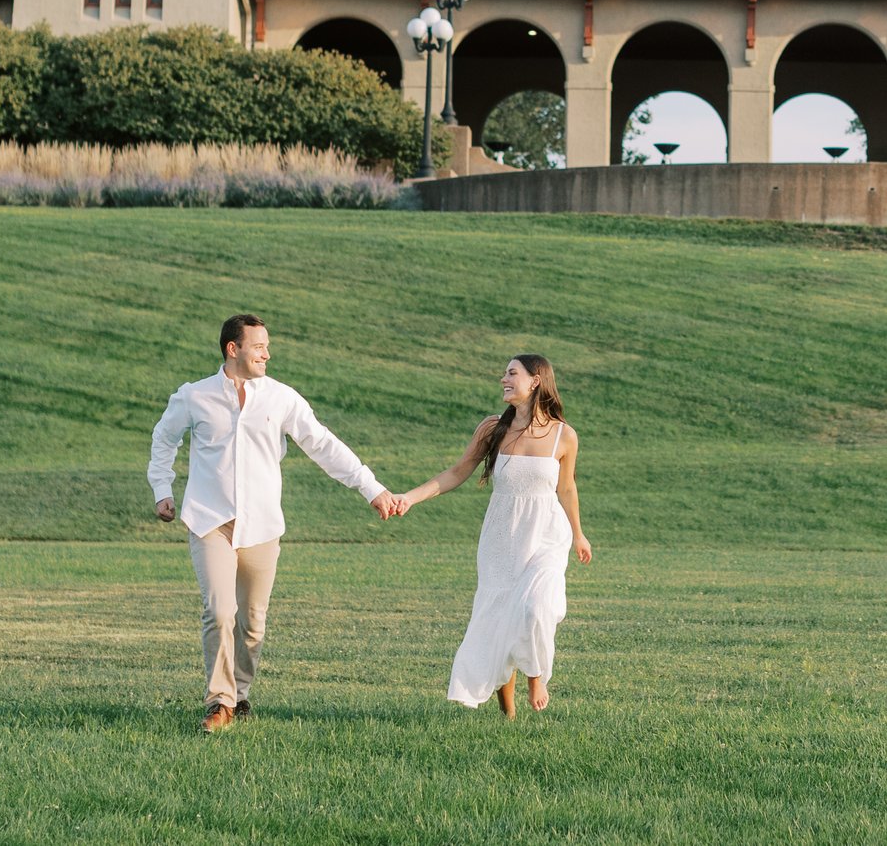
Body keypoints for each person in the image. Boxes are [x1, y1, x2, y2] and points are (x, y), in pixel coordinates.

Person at [148, 314, 398, 732]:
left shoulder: (281, 398)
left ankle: (240, 694)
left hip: (262, 525)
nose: (267, 353)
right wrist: (162, 488)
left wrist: (370, 488)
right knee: (219, 611)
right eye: (259, 346)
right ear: (234, 349)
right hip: (210, 520)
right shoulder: (195, 396)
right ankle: (219, 702)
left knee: (252, 621)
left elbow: (322, 444)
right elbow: (164, 437)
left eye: (267, 346)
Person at [392, 353, 592, 716]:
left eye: (512, 373)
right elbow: (456, 472)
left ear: (535, 381)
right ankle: (509, 713)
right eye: (504, 373)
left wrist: (579, 534)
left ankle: (536, 675)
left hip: (547, 533)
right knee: (500, 615)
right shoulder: (491, 428)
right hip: (503, 535)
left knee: (536, 607)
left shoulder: (564, 435)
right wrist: (410, 498)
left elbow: (567, 489)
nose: (503, 378)